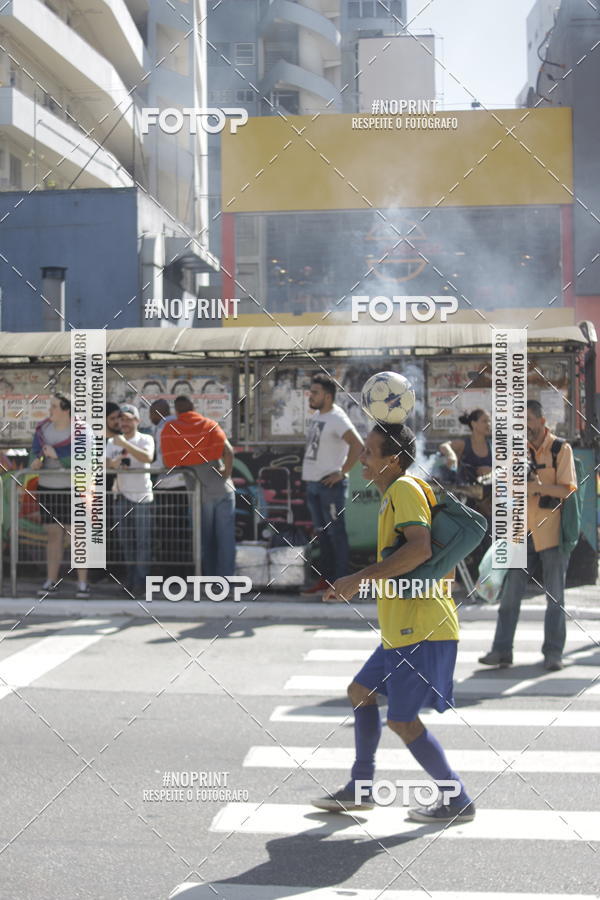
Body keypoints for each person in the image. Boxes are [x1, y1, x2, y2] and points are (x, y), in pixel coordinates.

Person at [311, 422, 474, 823]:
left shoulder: (403, 489)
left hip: (420, 629)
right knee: (360, 691)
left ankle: (457, 798)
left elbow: (419, 549)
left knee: (401, 720)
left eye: (369, 452)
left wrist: (356, 578)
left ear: (393, 460)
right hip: (405, 627)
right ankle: (360, 787)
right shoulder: (393, 494)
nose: (362, 459)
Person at [479, 399, 577, 672]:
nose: (524, 429)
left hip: (552, 533)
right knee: (510, 594)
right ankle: (501, 650)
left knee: (555, 596)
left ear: (542, 421)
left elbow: (567, 489)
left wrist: (536, 486)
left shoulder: (560, 449)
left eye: (528, 423)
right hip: (521, 532)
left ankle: (553, 653)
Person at [301, 374, 364, 594]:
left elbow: (358, 445)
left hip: (330, 486)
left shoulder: (338, 418)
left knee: (337, 534)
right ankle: (326, 581)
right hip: (313, 484)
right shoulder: (319, 415)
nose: (311, 396)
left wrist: (342, 473)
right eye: (311, 392)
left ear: (328, 396)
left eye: (315, 392)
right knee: (322, 535)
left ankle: (342, 584)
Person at [160, 395, 235, 577]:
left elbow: (168, 462)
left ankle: (209, 580)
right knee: (226, 541)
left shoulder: (172, 429)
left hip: (201, 496)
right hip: (224, 489)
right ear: (194, 408)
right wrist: (226, 472)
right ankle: (227, 582)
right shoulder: (209, 425)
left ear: (176, 412)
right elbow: (229, 450)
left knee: (205, 541)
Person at [30, 392, 89, 598]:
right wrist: (36, 462)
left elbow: (86, 461)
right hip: (48, 488)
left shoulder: (82, 431)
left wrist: (61, 458)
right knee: (53, 536)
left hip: (74, 489)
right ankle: (50, 581)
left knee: (77, 536)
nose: (50, 410)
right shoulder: (42, 429)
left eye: (54, 406)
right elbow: (34, 455)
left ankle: (82, 584)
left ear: (67, 409)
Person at [106, 404, 154, 596]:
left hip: (142, 496)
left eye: (127, 418)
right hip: (122, 497)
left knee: (143, 542)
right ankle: (131, 580)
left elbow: (148, 457)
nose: (123, 423)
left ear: (137, 420)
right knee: (126, 542)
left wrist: (125, 445)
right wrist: (115, 463)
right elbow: (106, 465)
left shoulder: (145, 438)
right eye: (121, 419)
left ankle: (141, 582)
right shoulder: (112, 442)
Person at [149, 398, 191, 572]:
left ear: (157, 412)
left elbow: (163, 459)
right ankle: (180, 570)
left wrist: (143, 467)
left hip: (167, 485)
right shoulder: (179, 424)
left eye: (151, 413)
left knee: (167, 529)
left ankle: (169, 570)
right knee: (180, 529)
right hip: (184, 484)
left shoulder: (162, 427)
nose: (150, 417)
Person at [439, 409, 492, 484]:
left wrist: (492, 471)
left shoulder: (493, 447)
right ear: (474, 424)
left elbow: (505, 469)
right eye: (484, 421)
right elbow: (444, 446)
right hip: (465, 491)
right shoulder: (464, 444)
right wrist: (451, 455)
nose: (489, 424)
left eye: (489, 421)